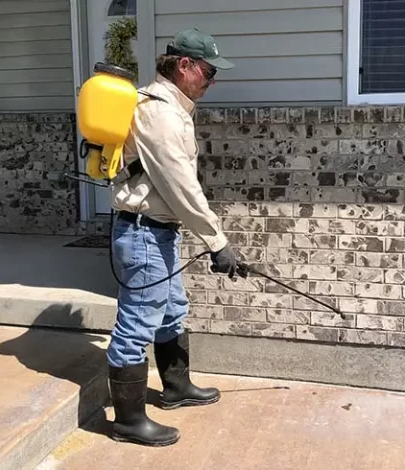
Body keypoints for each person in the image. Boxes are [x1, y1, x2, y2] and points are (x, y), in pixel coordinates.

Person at [106, 28, 243, 447]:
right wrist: (217, 243)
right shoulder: (160, 113)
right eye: (208, 71)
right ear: (184, 66)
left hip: (158, 234)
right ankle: (128, 421)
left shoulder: (173, 108)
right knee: (136, 324)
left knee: (171, 311)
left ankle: (176, 388)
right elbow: (181, 187)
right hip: (144, 234)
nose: (211, 81)